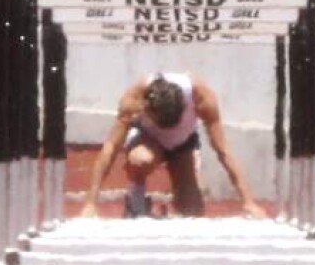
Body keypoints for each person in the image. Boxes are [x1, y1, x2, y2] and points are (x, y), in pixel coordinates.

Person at [80, 72, 267, 218]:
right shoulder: (134, 99)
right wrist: (90, 203)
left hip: (182, 144)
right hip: (148, 140)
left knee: (192, 212)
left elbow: (223, 150)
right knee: (141, 159)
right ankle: (135, 199)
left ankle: (169, 209)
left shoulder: (201, 98)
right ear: (147, 107)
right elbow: (111, 147)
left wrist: (249, 202)